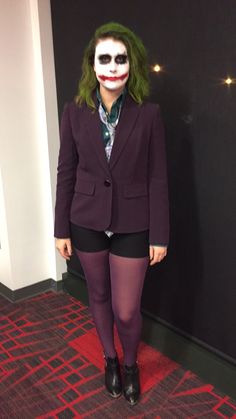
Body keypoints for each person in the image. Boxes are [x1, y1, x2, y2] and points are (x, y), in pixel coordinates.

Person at [54, 22, 169, 406]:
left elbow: (157, 177)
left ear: (131, 65)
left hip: (134, 223)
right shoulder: (74, 112)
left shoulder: (149, 114)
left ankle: (131, 363)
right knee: (98, 294)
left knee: (126, 308)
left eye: (121, 59)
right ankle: (110, 360)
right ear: (93, 63)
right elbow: (66, 171)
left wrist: (160, 234)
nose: (114, 66)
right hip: (84, 218)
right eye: (105, 58)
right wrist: (60, 229)